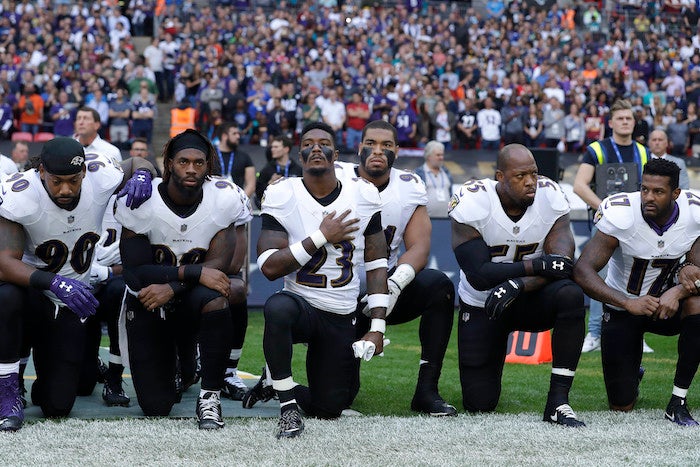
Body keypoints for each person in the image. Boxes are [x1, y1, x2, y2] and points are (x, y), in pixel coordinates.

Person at [244, 122, 388, 439]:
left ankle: (276, 382)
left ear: (335, 154)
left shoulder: (363, 194)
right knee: (277, 307)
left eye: (324, 143)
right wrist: (322, 236)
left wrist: (377, 327)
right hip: (302, 307)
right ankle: (288, 409)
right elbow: (268, 266)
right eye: (308, 143)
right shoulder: (284, 193)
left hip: (340, 314)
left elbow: (377, 263)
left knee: (330, 407)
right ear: (301, 153)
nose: (316, 148)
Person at [0, 137, 155, 431]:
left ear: (85, 171)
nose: (66, 189)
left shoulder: (101, 175)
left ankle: (42, 378)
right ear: (41, 172)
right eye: (57, 181)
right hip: (32, 293)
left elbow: (136, 162)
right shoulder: (20, 193)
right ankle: (7, 390)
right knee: (6, 297)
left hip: (71, 302)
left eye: (73, 180)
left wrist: (144, 174)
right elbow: (4, 264)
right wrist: (54, 282)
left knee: (57, 405)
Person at [114, 129, 248, 429]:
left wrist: (173, 286)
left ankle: (209, 397)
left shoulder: (224, 198)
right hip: (147, 300)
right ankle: (184, 363)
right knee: (156, 407)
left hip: (187, 298)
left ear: (208, 164)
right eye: (184, 162)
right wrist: (192, 272)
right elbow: (135, 273)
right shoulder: (143, 201)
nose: (191, 169)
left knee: (218, 298)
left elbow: (218, 267)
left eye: (199, 163)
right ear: (170, 163)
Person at [450, 144, 586, 426]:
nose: (530, 182)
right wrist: (535, 266)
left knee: (570, 295)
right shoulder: (474, 201)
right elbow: (479, 274)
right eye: (520, 175)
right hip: (483, 301)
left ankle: (558, 401)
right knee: (479, 403)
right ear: (500, 176)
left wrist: (519, 284)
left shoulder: (550, 196)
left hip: (530, 297)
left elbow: (562, 264)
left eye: (534, 174)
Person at [340, 120, 457, 416]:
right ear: (359, 147)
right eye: (371, 143)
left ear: (397, 151)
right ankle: (276, 379)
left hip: (385, 290)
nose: (377, 151)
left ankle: (427, 391)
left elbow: (419, 246)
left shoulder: (409, 185)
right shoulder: (337, 177)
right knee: (339, 397)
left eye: (386, 145)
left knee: (438, 286)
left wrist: (394, 285)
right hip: (339, 293)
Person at [572, 158, 700, 425]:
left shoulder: (693, 214)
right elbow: (583, 270)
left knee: (697, 303)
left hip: (665, 307)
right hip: (623, 309)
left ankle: (678, 401)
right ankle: (632, 372)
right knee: (621, 405)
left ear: (676, 193)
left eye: (658, 191)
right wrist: (627, 303)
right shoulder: (621, 214)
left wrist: (678, 290)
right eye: (644, 189)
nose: (648, 197)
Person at [573, 99, 651, 354]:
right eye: (621, 118)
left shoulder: (643, 151)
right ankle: (594, 332)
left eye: (629, 118)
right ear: (611, 123)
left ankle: (638, 333)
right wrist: (604, 208)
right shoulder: (597, 149)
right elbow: (580, 185)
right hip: (606, 224)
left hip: (637, 224)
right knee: (600, 277)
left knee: (639, 278)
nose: (626, 122)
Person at [255, 136, 303, 209]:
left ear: (286, 149)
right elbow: (258, 195)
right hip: (273, 210)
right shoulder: (266, 170)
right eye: (272, 147)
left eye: (276, 147)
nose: (272, 149)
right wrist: (269, 184)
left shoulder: (298, 170)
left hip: (293, 210)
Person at [414, 140, 454, 218]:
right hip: (425, 221)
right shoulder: (418, 174)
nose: (441, 158)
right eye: (438, 155)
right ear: (429, 156)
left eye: (442, 155)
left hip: (446, 220)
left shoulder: (446, 172)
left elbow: (450, 195)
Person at [217, 122, 255, 198]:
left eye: (238, 133)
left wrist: (241, 201)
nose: (238, 136)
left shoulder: (244, 157)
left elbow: (251, 185)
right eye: (234, 134)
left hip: (237, 202)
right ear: (224, 136)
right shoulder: (209, 156)